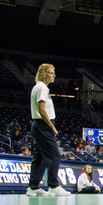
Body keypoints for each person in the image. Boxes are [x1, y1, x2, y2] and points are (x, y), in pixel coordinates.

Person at [28, 63, 68, 197]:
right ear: (44, 74)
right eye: (51, 73)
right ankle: (53, 186)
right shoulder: (41, 88)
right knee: (54, 155)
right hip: (43, 125)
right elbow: (41, 110)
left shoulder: (39, 87)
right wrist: (52, 126)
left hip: (39, 125)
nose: (54, 75)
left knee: (39, 157)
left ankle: (33, 188)